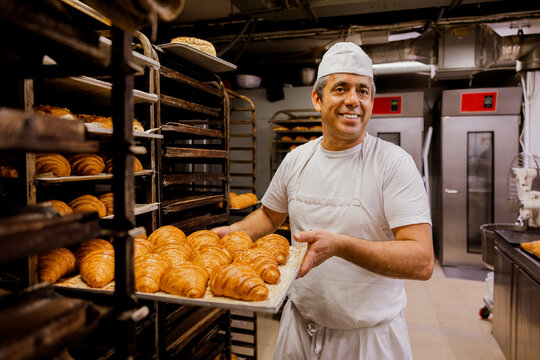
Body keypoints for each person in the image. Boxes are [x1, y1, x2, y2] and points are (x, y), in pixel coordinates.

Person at [213, 42, 433, 360]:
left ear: (372, 101)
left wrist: (341, 246)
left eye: (363, 91)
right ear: (317, 99)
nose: (353, 101)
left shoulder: (392, 163)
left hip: (368, 340)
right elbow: (268, 217)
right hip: (299, 328)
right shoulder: (297, 159)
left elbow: (422, 260)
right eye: (341, 88)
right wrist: (232, 233)